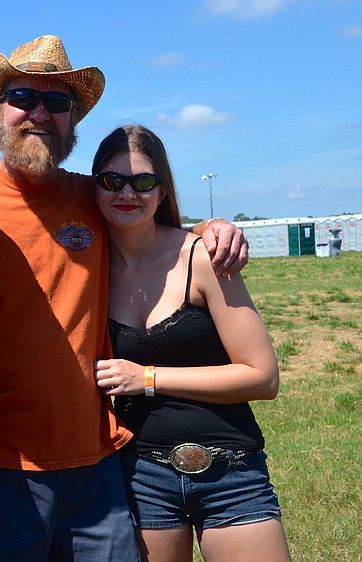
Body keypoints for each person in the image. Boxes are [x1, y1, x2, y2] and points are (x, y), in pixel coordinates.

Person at [0, 35, 248, 561]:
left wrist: (213, 227)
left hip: (97, 460)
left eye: (58, 102)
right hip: (1, 463)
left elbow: (149, 221)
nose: (40, 113)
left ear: (72, 120)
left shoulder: (93, 194)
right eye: (25, 98)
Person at [92, 125, 291, 562]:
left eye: (143, 181)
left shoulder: (203, 257)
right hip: (140, 473)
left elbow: (262, 377)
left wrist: (146, 378)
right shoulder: (87, 265)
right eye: (112, 180)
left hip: (230, 469)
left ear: (162, 191)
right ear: (95, 188)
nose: (128, 191)